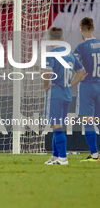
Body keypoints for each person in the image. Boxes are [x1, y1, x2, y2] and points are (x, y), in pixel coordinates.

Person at [43, 27, 86, 165]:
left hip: (56, 93)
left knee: (56, 125)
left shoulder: (51, 54)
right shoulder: (70, 54)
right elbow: (82, 72)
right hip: (67, 94)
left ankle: (62, 157)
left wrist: (46, 86)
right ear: (62, 39)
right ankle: (55, 157)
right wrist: (70, 84)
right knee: (57, 125)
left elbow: (46, 73)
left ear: (50, 39)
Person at [74, 17, 100, 162]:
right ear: (93, 28)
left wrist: (79, 75)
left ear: (81, 29)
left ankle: (94, 155)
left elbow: (74, 65)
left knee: (88, 121)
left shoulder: (81, 47)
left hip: (88, 86)